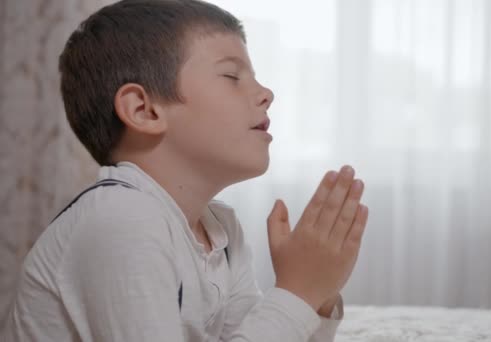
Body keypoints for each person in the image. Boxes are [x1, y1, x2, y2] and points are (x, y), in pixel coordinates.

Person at [3, 0, 368, 341]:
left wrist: (316, 293)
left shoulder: (220, 230)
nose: (266, 93)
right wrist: (297, 292)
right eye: (231, 76)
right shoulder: (121, 220)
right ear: (145, 111)